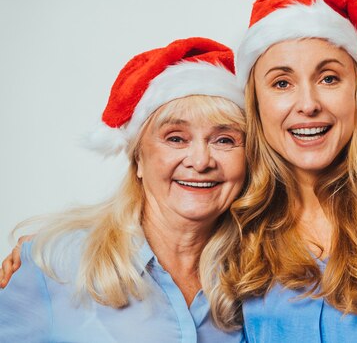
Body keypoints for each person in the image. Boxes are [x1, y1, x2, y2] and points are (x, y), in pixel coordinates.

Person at [0, 37, 246, 342]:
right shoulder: (54, 265)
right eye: (175, 138)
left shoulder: (258, 277)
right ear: (138, 159)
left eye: (224, 140)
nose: (200, 161)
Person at [220, 0, 357, 342]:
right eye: (282, 83)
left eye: (329, 78)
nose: (308, 105)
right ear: (256, 104)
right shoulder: (231, 221)